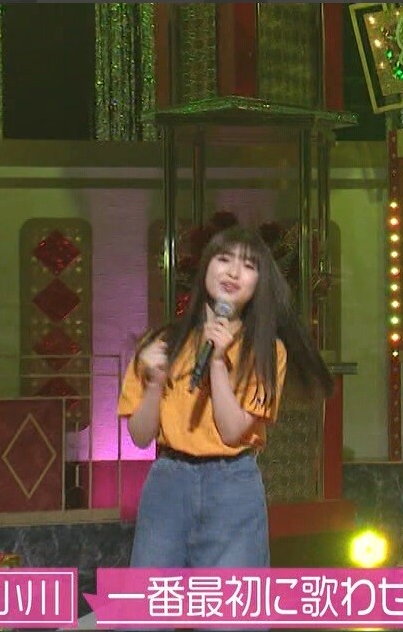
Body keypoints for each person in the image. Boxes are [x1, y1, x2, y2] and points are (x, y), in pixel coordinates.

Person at [120, 226, 333, 568]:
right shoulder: (160, 343)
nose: (233, 272)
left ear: (259, 283)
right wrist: (156, 383)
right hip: (168, 482)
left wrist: (217, 362)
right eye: (223, 259)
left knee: (231, 599)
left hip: (232, 484)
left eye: (248, 266)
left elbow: (233, 432)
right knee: (152, 596)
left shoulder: (266, 351)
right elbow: (140, 436)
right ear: (206, 267)